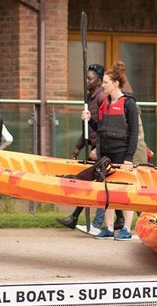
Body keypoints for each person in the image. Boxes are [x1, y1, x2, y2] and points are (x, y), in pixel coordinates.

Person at [83, 61, 139, 240]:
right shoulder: (104, 103)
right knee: (106, 190)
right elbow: (99, 127)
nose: (103, 85)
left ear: (115, 84)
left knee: (124, 190)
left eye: (106, 82)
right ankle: (108, 228)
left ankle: (126, 230)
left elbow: (134, 133)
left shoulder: (128, 103)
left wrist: (129, 157)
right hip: (105, 152)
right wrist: (89, 120)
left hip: (122, 153)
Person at [57, 63, 107, 230]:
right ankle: (75, 217)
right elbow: (88, 128)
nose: (87, 81)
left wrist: (98, 148)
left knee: (99, 184)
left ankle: (93, 221)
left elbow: (103, 126)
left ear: (99, 81)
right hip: (94, 146)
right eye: (86, 78)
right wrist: (78, 147)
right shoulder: (90, 98)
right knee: (91, 182)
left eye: (90, 78)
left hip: (102, 148)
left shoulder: (101, 98)